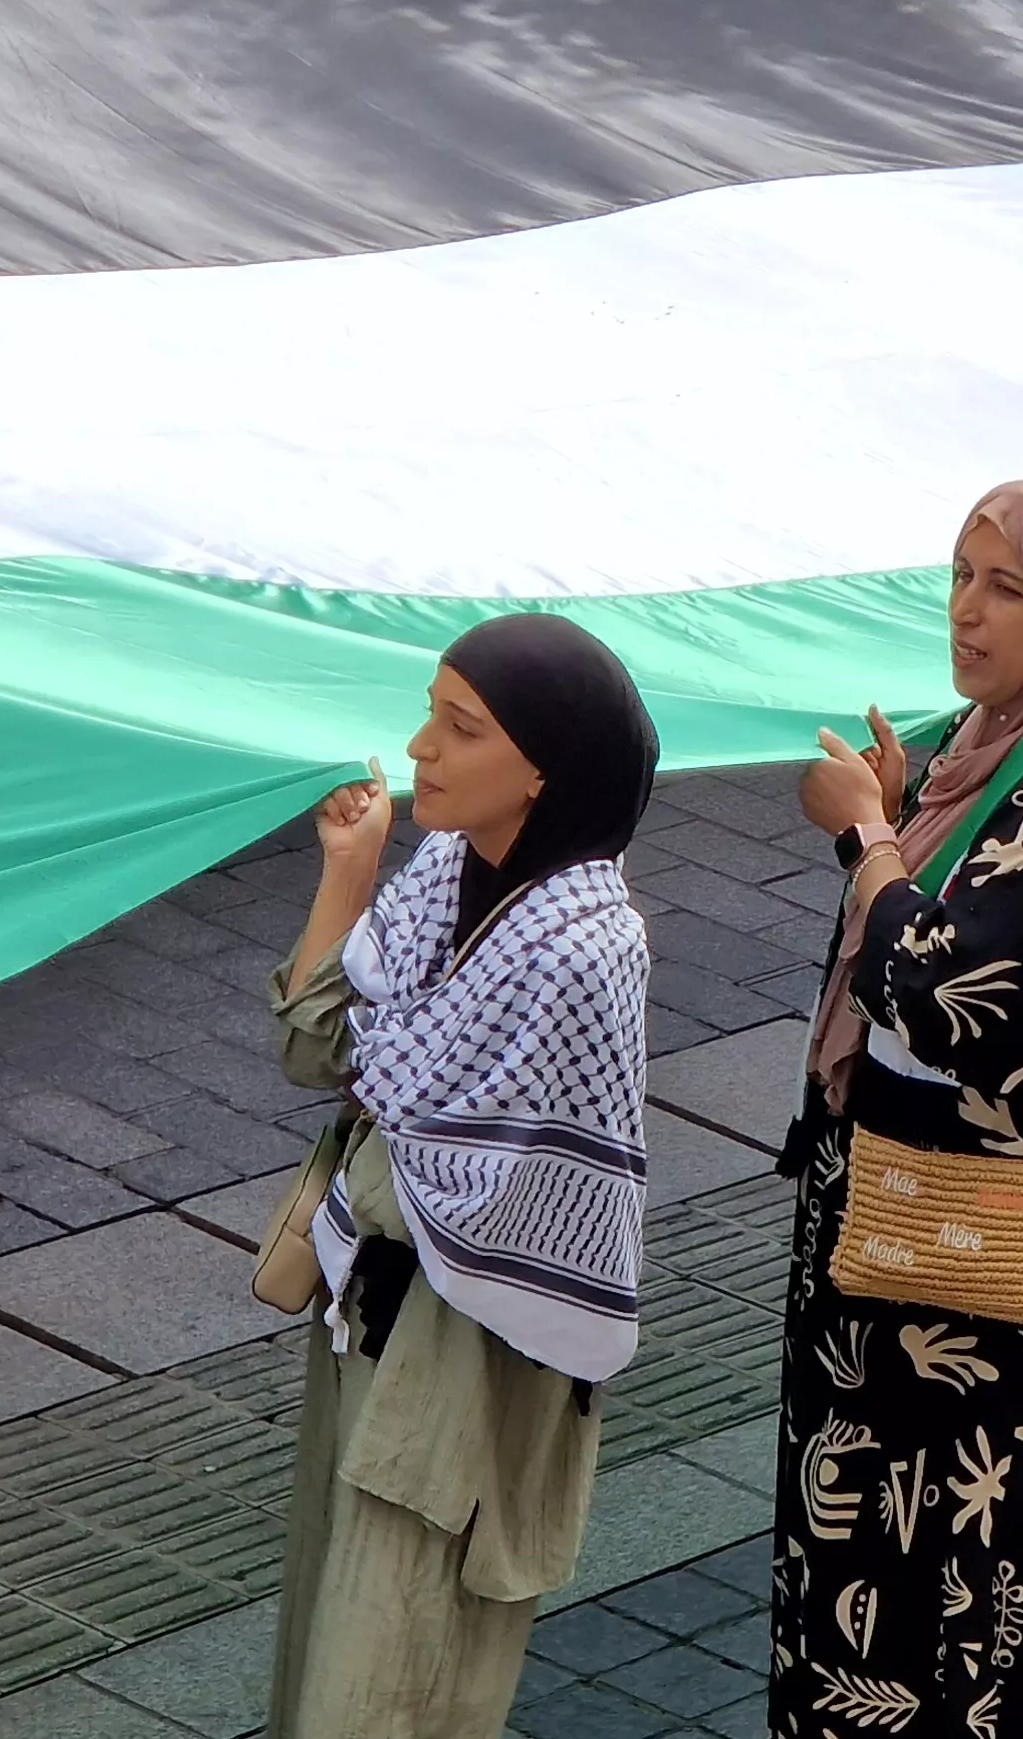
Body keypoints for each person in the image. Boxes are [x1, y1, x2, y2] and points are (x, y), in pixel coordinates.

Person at [769, 480, 1023, 1739]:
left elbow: (957, 999)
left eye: (1010, 587)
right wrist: (906, 825)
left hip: (992, 1284)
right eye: (960, 575)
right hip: (892, 1247)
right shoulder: (988, 742)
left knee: (972, 1584)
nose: (968, 611)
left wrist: (869, 842)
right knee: (854, 1563)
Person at [265, 614, 659, 1739]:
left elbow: (513, 1200)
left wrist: (387, 1134)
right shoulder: (444, 873)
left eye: (460, 726)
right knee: (327, 1648)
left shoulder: (585, 943)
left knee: (390, 1682)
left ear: (541, 769)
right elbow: (316, 1051)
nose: (422, 746)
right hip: (364, 1317)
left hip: (468, 1357)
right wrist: (349, 871)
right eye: (434, 714)